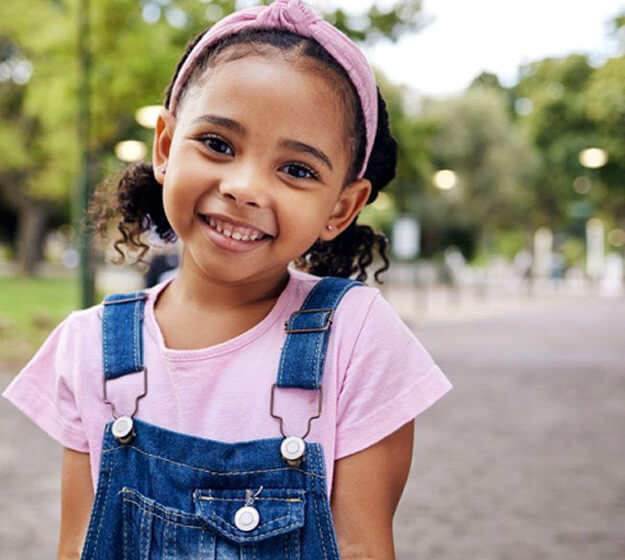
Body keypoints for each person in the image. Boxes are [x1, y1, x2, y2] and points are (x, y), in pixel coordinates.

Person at [2, 1, 452, 558]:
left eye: (296, 169)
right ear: (165, 146)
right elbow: (74, 546)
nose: (243, 187)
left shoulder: (357, 338)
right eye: (218, 144)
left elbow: (362, 548)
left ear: (342, 207)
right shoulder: (88, 345)